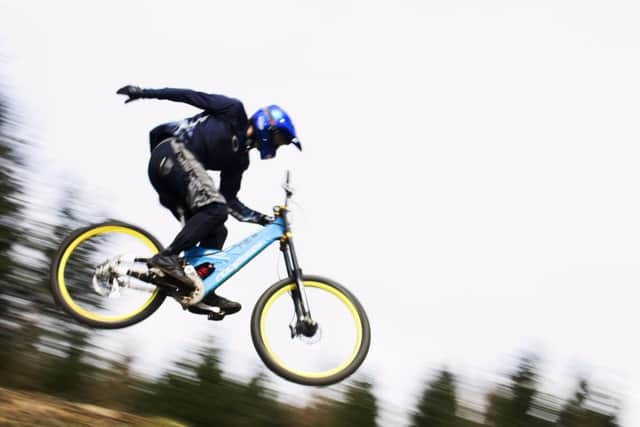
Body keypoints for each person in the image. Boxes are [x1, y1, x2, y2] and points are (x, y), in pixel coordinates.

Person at [116, 85, 301, 316]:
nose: (277, 145)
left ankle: (201, 288)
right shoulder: (233, 111)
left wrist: (263, 220)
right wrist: (145, 93)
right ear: (268, 125)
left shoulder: (240, 160)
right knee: (215, 209)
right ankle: (167, 258)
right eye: (280, 139)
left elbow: (230, 201)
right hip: (171, 153)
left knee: (217, 229)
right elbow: (188, 96)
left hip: (172, 179)